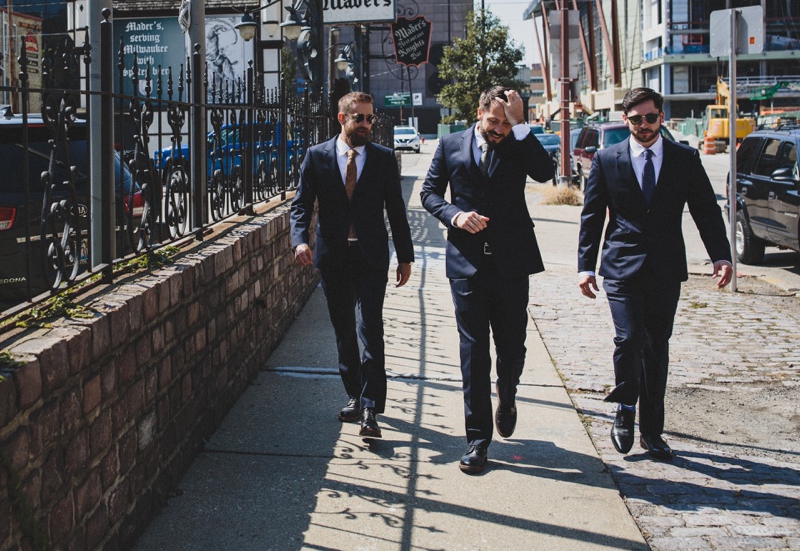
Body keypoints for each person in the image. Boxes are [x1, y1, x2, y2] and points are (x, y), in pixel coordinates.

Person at [577, 87, 733, 461]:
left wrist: (721, 257)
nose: (643, 126)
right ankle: (625, 407)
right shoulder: (607, 159)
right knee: (628, 339)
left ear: (661, 118)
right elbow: (592, 216)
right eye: (635, 119)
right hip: (620, 266)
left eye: (650, 118)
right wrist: (585, 266)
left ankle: (652, 431)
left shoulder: (684, 158)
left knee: (655, 347)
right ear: (626, 121)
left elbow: (706, 210)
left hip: (664, 267)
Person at [420, 86, 554, 473]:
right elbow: (429, 193)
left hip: (512, 264)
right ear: (479, 114)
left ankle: (507, 393)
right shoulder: (450, 145)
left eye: (504, 122)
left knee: (512, 347)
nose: (498, 129)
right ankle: (477, 440)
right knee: (474, 352)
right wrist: (454, 215)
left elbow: (546, 174)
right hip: (467, 265)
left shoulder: (517, 142)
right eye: (493, 121)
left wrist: (520, 124)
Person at [291, 91, 414, 439]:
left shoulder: (383, 158)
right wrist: (300, 240)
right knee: (344, 329)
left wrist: (405, 256)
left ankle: (371, 406)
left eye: (370, 118)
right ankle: (354, 394)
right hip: (334, 257)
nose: (366, 124)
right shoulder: (317, 157)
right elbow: (301, 205)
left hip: (371, 255)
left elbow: (396, 211)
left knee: (370, 327)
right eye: (359, 117)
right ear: (342, 119)